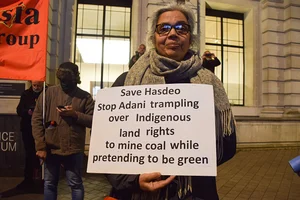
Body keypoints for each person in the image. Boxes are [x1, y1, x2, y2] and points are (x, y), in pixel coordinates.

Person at [108, 4, 236, 200]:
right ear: (154, 37)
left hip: (195, 192)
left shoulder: (209, 82)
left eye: (181, 28)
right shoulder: (126, 81)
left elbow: (227, 144)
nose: (173, 34)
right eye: (164, 28)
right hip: (139, 191)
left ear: (191, 37)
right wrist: (133, 179)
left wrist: (192, 159)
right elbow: (109, 145)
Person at [32, 62, 94, 200]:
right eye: (62, 81)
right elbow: (36, 120)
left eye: (68, 81)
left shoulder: (85, 97)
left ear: (75, 79)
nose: (64, 84)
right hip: (51, 147)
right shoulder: (48, 94)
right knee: (49, 183)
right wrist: (40, 146)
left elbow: (94, 120)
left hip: (73, 149)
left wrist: (75, 115)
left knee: (75, 184)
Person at [16, 80, 44, 190]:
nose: (36, 87)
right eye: (34, 85)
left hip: (42, 129)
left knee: (42, 155)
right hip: (28, 128)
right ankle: (28, 180)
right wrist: (27, 112)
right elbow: (19, 110)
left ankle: (43, 180)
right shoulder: (26, 94)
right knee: (29, 154)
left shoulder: (46, 93)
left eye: (39, 85)